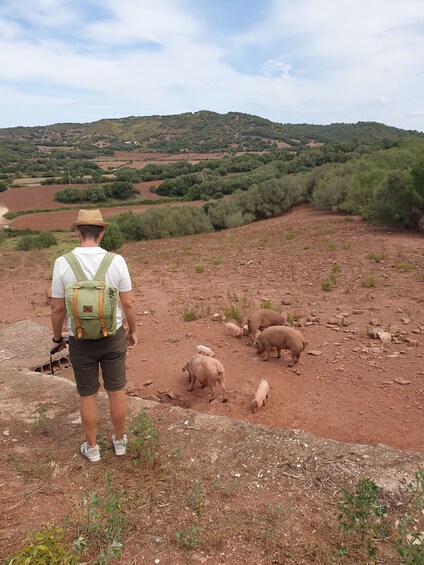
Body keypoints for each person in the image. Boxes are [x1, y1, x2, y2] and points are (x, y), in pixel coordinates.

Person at [50, 209, 137, 462]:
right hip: (113, 336)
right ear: (102, 233)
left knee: (87, 394)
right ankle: (119, 443)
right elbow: (129, 304)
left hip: (79, 339)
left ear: (78, 232)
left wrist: (58, 338)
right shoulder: (116, 261)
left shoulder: (62, 262)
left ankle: (92, 449)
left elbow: (57, 308)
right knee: (116, 390)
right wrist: (133, 331)